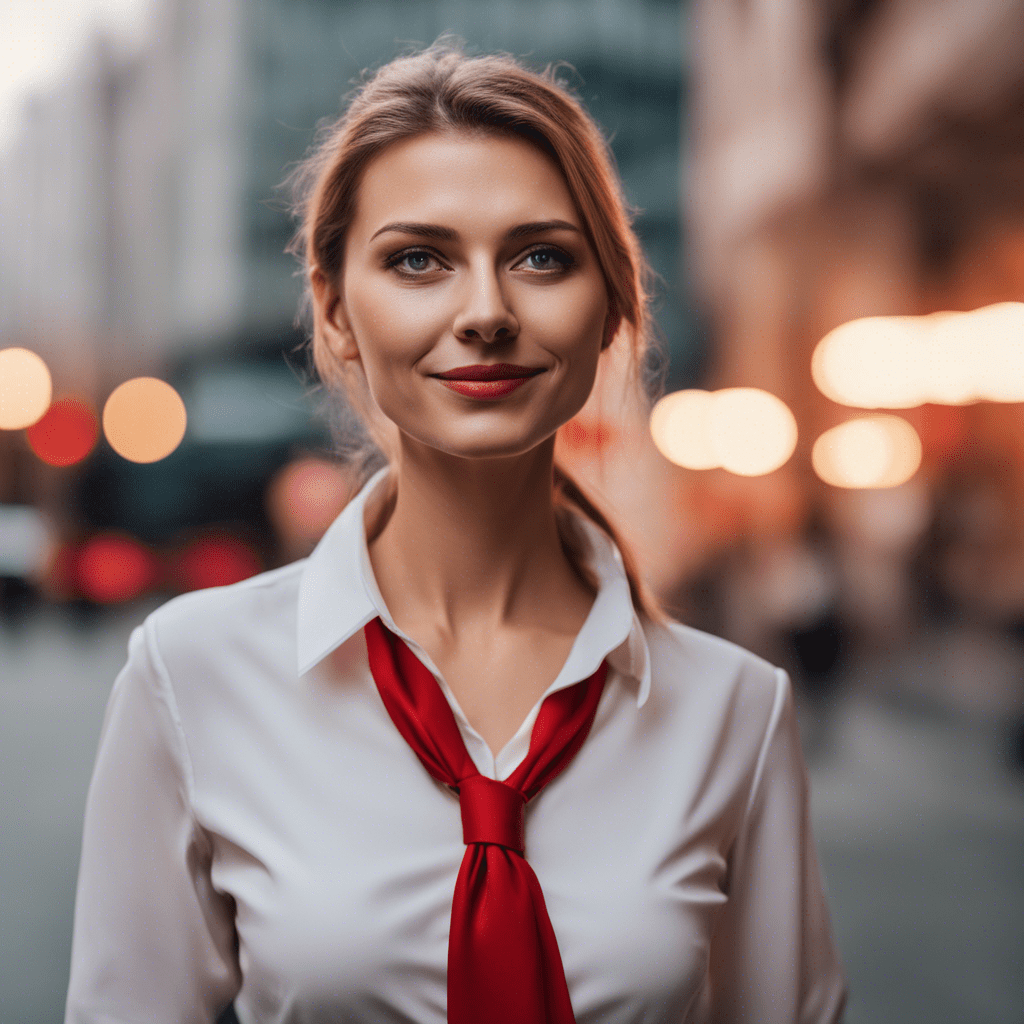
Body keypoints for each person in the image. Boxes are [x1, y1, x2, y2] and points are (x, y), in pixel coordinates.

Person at [65, 39, 847, 1024]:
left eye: (541, 257)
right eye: (418, 259)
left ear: (610, 308)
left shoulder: (736, 713)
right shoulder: (190, 678)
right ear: (335, 309)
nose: (485, 312)